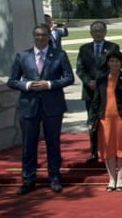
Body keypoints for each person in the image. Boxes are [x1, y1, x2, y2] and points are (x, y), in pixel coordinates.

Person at [7, 24, 74, 195]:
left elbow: (69, 78)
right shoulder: (23, 56)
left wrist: (50, 84)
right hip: (29, 106)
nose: (40, 38)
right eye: (37, 35)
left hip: (52, 106)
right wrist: (28, 85)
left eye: (43, 35)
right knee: (29, 144)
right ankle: (28, 179)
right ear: (33, 36)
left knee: (53, 142)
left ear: (48, 36)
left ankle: (54, 177)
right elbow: (12, 81)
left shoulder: (59, 55)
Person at [89, 50, 122, 191]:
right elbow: (96, 100)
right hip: (105, 119)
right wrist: (92, 119)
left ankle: (121, 178)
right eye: (111, 61)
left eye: (117, 61)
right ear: (108, 63)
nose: (114, 63)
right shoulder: (102, 79)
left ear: (121, 63)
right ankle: (112, 179)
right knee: (108, 150)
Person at [76, 21, 121, 164]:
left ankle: (111, 150)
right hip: (90, 91)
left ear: (105, 32)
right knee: (92, 122)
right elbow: (80, 69)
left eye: (100, 30)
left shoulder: (113, 47)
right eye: (94, 31)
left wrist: (101, 82)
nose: (97, 33)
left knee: (110, 122)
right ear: (91, 33)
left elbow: (115, 66)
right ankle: (94, 152)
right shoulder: (84, 49)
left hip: (107, 90)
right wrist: (88, 81)